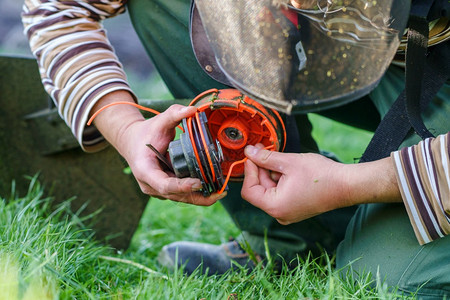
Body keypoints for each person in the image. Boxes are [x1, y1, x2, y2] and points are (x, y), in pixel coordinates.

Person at [22, 0, 449, 297]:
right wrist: (125, 128)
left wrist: (356, 185)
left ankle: (363, 214)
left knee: (383, 280)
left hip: (437, 58)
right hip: (360, 43)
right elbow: (59, 9)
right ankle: (294, 238)